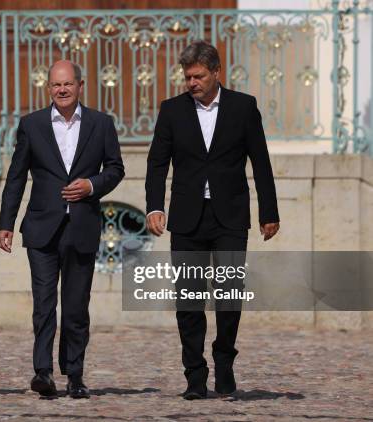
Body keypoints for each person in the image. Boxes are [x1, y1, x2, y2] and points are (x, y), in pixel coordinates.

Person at [145, 40, 280, 400]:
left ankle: (224, 363)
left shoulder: (243, 107)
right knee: (188, 299)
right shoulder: (172, 110)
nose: (192, 83)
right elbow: (158, 162)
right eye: (188, 77)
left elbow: (260, 161)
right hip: (187, 218)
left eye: (199, 76)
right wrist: (154, 206)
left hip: (230, 218)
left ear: (216, 72)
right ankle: (194, 375)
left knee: (229, 296)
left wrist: (269, 212)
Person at [0, 60, 124, 399]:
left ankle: (75, 375)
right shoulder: (32, 124)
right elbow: (16, 176)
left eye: (68, 84)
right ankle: (43, 373)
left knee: (76, 307)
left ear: (80, 85)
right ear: (48, 88)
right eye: (56, 85)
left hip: (81, 226)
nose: (62, 90)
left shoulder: (101, 124)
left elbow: (115, 169)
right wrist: (6, 223)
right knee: (43, 304)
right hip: (41, 229)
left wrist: (91, 185)